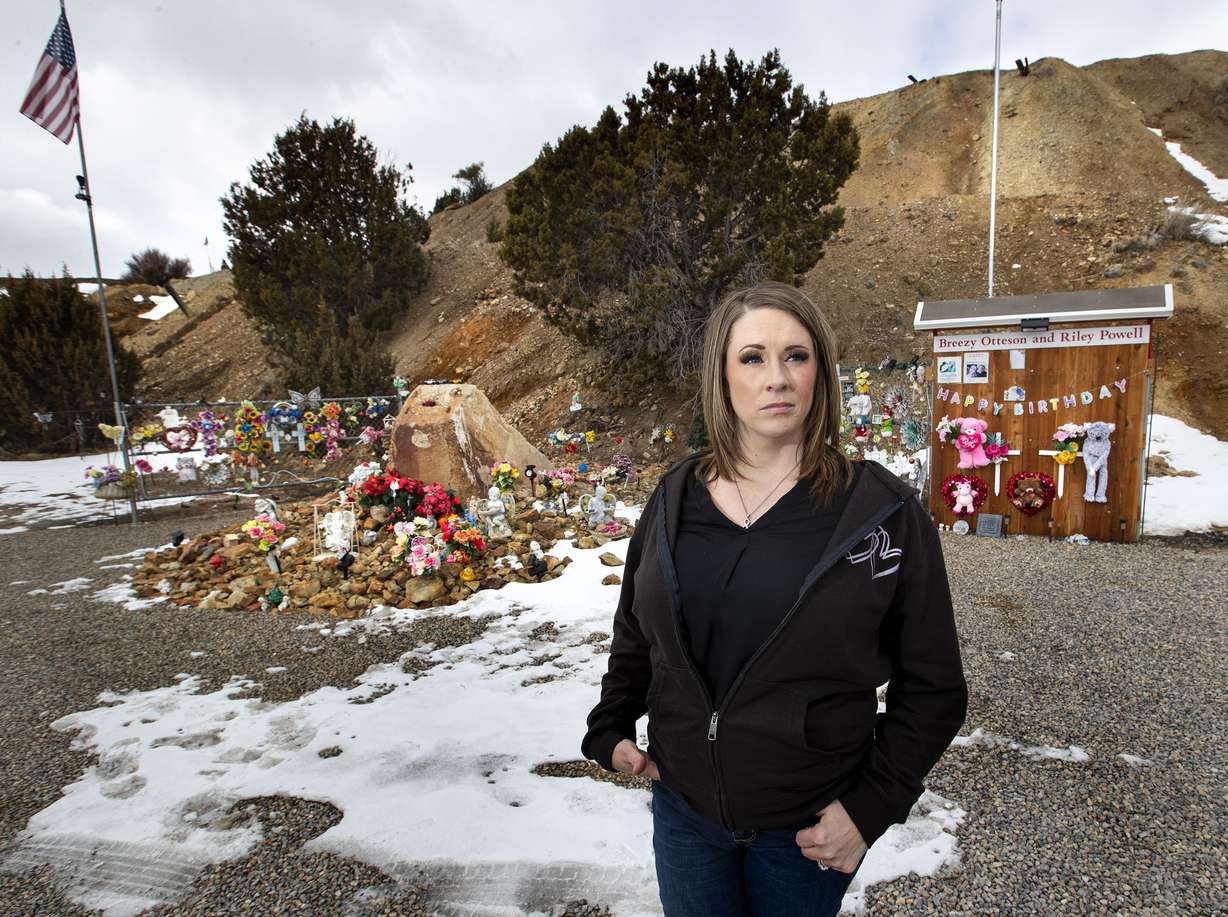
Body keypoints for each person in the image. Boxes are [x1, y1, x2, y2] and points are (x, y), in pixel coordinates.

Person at [581, 282, 968, 916]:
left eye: (797, 356)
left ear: (821, 372)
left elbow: (933, 688)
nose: (777, 377)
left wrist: (870, 808)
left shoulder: (880, 514)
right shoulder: (673, 499)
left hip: (807, 828)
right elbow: (638, 631)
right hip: (685, 814)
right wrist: (611, 722)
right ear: (722, 376)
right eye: (753, 357)